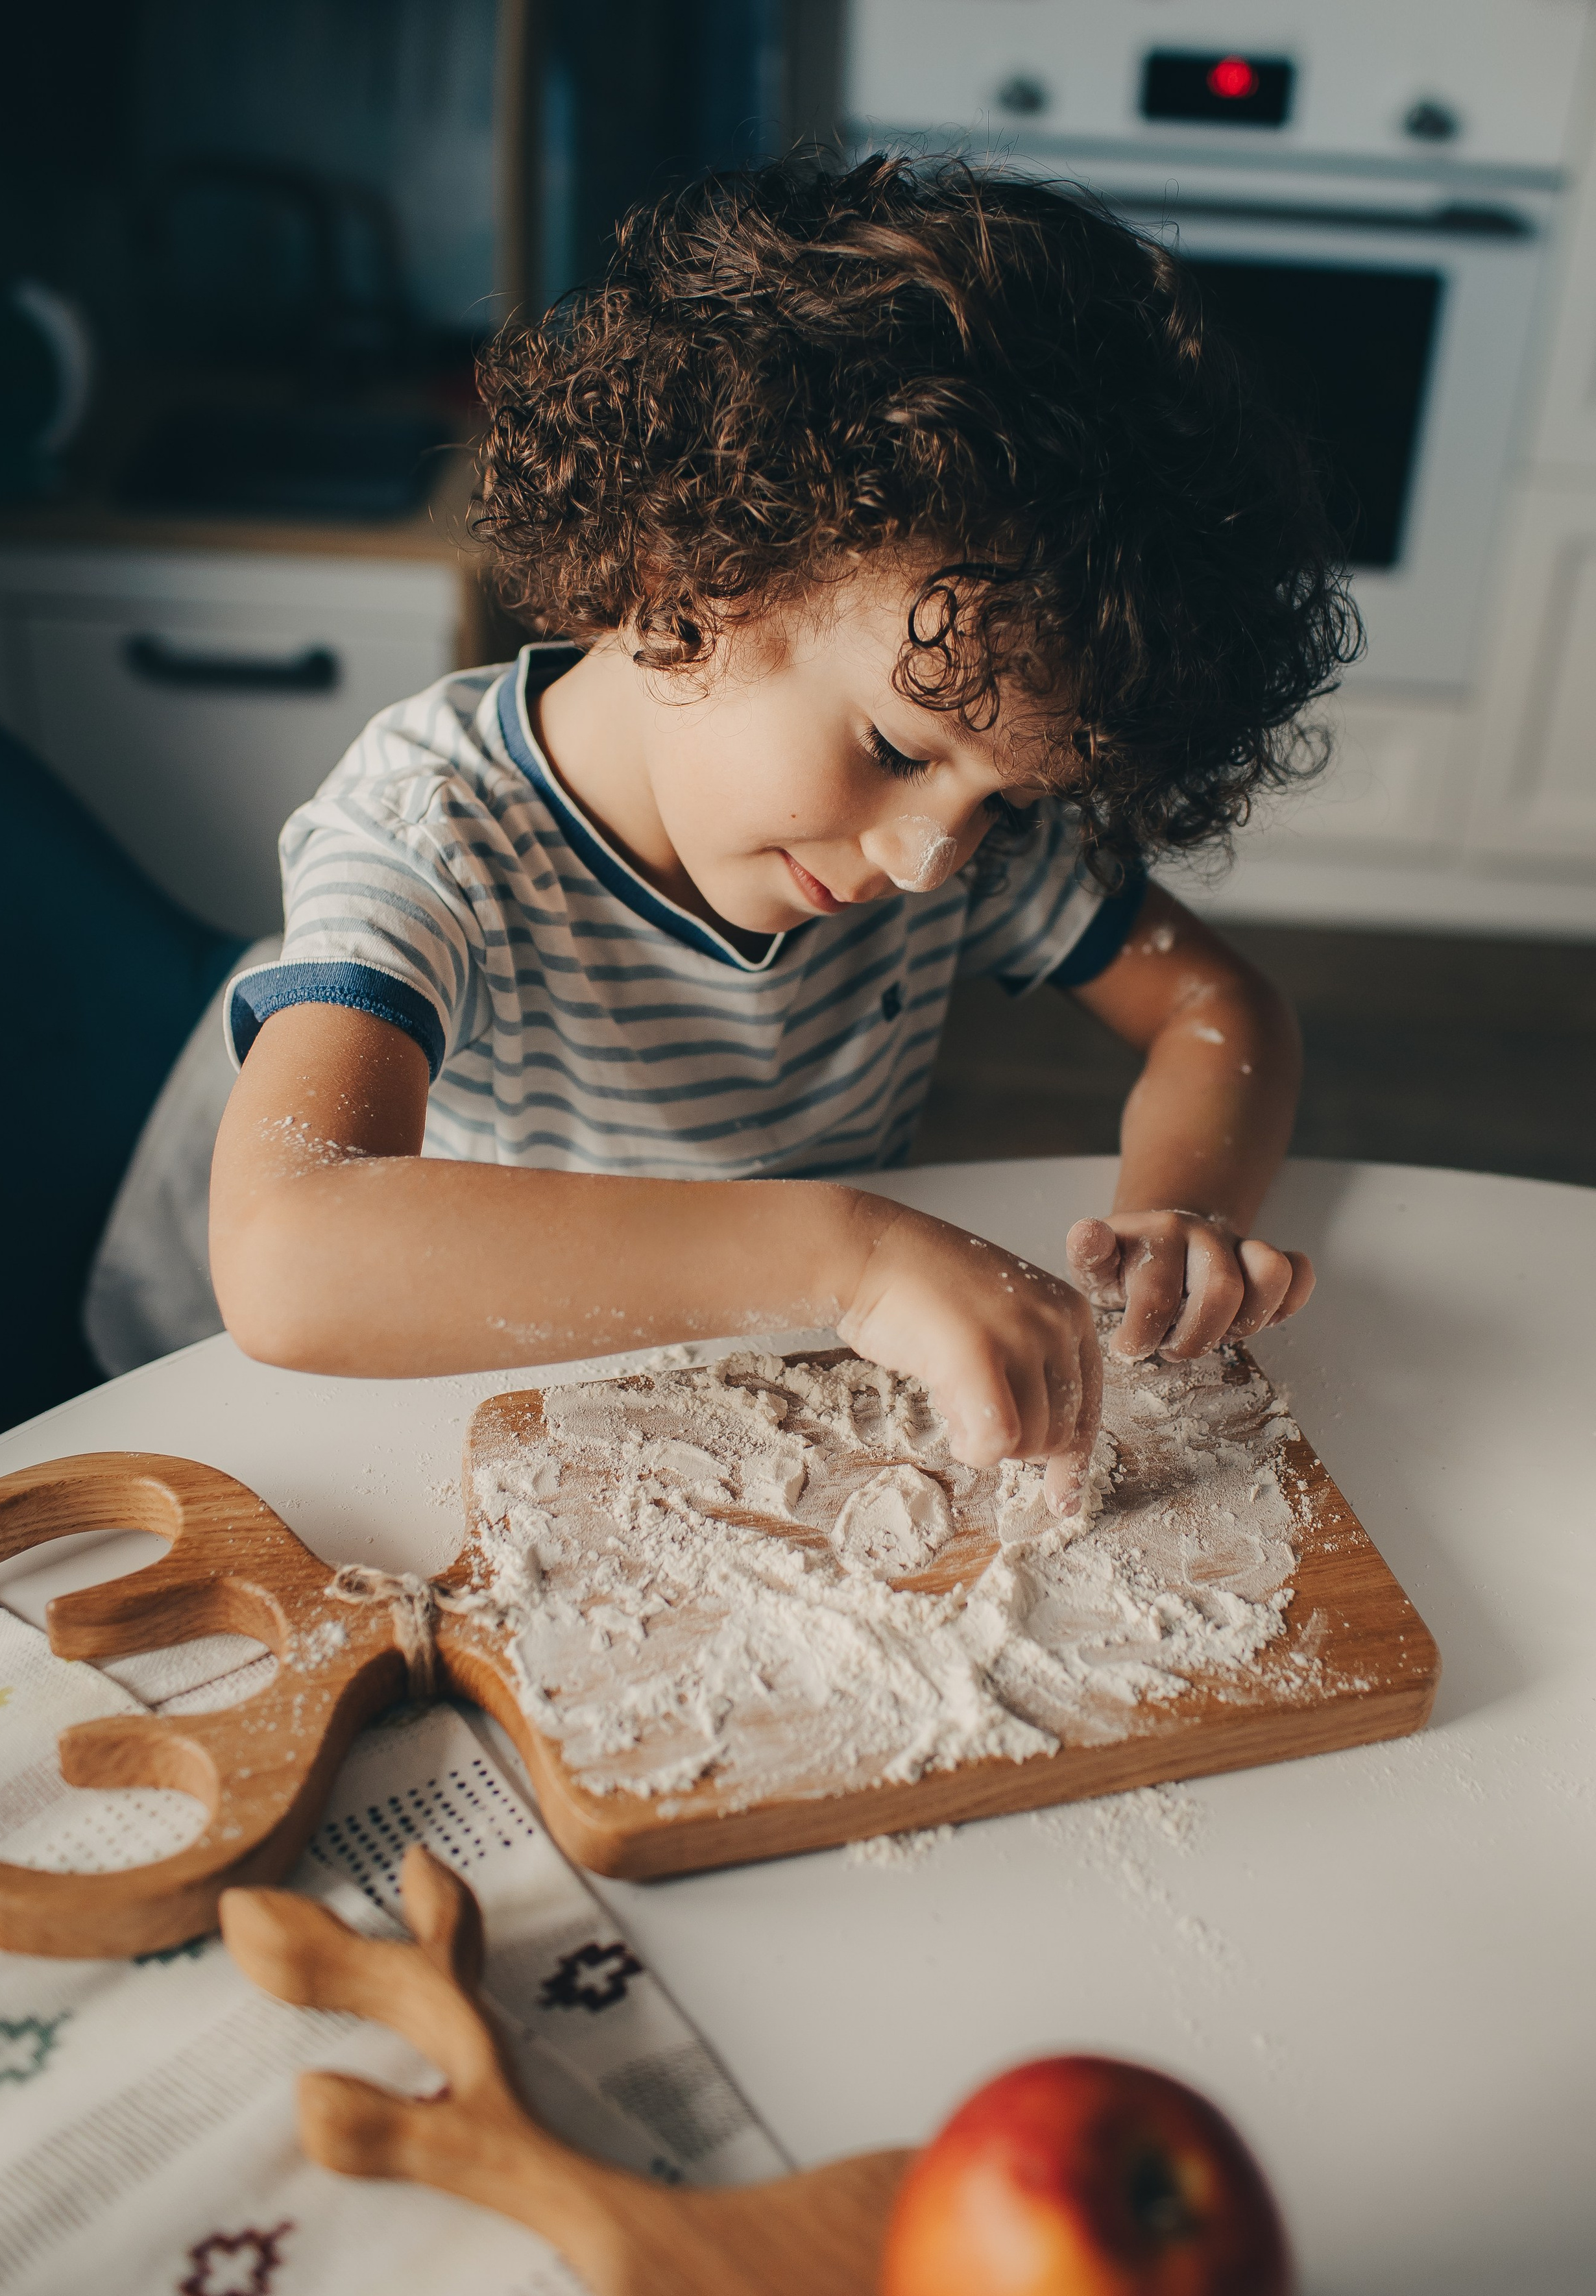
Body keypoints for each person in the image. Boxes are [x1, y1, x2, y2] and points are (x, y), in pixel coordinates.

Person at [209, 156, 1357, 1519]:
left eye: (1006, 801)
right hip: (412, 1427)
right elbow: (289, 1252)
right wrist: (847, 1253)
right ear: (682, 564)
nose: (933, 857)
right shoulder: (432, 837)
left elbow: (1216, 1006)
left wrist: (1181, 1214)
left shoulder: (953, 809)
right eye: (889, 749)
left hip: (749, 1402)